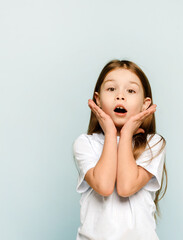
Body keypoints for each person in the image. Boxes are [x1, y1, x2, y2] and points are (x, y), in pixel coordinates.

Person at [72, 59, 167, 240]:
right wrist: (110, 132)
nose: (120, 96)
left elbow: (126, 187)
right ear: (98, 100)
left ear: (145, 104)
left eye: (130, 91)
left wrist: (126, 135)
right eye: (111, 89)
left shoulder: (154, 144)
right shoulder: (85, 143)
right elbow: (105, 186)